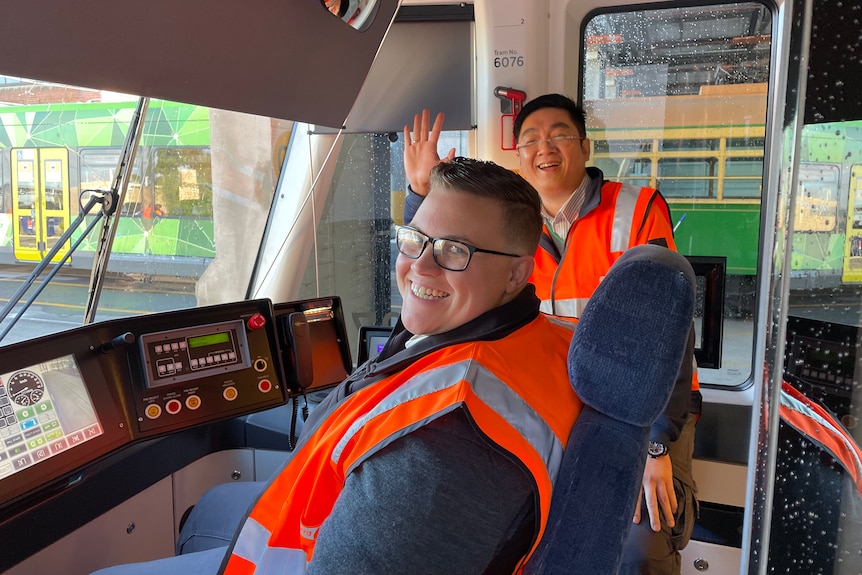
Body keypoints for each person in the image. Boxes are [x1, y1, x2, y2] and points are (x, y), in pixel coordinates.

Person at [93, 157, 584, 575]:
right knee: (214, 504)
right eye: (415, 238)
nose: (421, 267)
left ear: (519, 272)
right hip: (322, 512)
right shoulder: (540, 338)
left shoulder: (444, 440)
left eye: (456, 251)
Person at [403, 96, 700, 575]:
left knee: (641, 547)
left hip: (641, 411)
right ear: (518, 154)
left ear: (584, 146)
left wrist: (657, 443)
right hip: (548, 403)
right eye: (530, 140)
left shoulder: (636, 207)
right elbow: (435, 258)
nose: (545, 147)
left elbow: (670, 331)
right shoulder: (508, 225)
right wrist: (421, 191)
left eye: (559, 134)